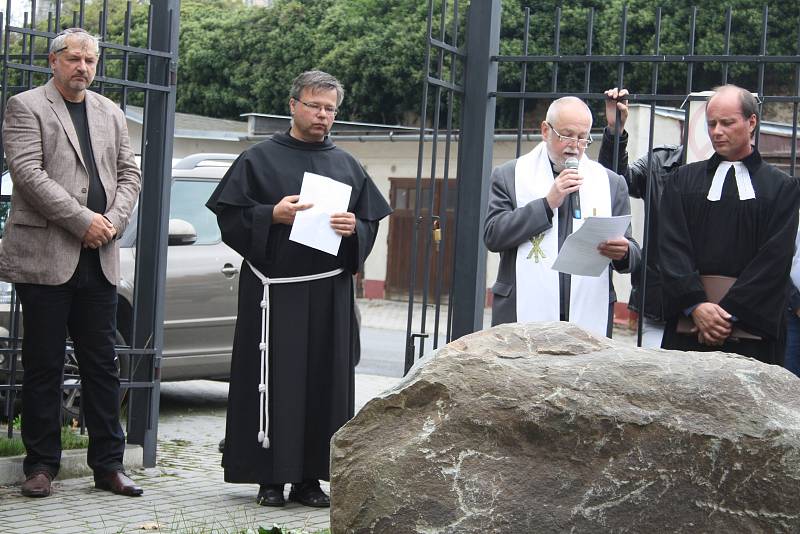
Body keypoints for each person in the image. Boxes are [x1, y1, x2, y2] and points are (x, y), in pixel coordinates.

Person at [206, 70, 391, 508]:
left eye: (330, 109)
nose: (323, 115)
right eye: (314, 105)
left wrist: (355, 229)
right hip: (273, 292)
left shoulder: (347, 164)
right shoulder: (258, 158)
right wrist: (271, 215)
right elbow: (230, 219)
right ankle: (270, 477)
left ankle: (311, 478)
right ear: (293, 105)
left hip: (327, 292)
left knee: (323, 383)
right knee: (271, 380)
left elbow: (369, 222)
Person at [1, 28, 142, 497]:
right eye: (74, 58)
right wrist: (83, 221)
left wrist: (112, 222)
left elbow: (129, 174)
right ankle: (41, 466)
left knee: (102, 364)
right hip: (46, 255)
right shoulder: (26, 106)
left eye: (90, 60)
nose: (83, 67)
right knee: (43, 364)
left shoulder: (110, 112)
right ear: (53, 60)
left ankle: (109, 466)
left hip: (99, 256)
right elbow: (29, 175)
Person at [659, 85, 800, 364]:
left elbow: (775, 259)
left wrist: (727, 314)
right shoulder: (682, 181)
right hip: (690, 327)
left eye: (727, 123)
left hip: (754, 329)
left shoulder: (781, 188)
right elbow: (671, 247)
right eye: (711, 124)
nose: (717, 132)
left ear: (752, 122)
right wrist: (696, 305)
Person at [484, 96, 641, 337]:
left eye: (582, 138)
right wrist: (547, 204)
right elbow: (493, 235)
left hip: (588, 309)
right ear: (546, 130)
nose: (574, 145)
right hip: (521, 311)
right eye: (566, 135)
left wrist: (625, 252)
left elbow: (632, 251)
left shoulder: (610, 183)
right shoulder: (510, 175)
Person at [598, 87, 684, 348]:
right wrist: (615, 132)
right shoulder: (660, 162)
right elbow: (616, 180)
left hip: (714, 309)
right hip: (659, 302)